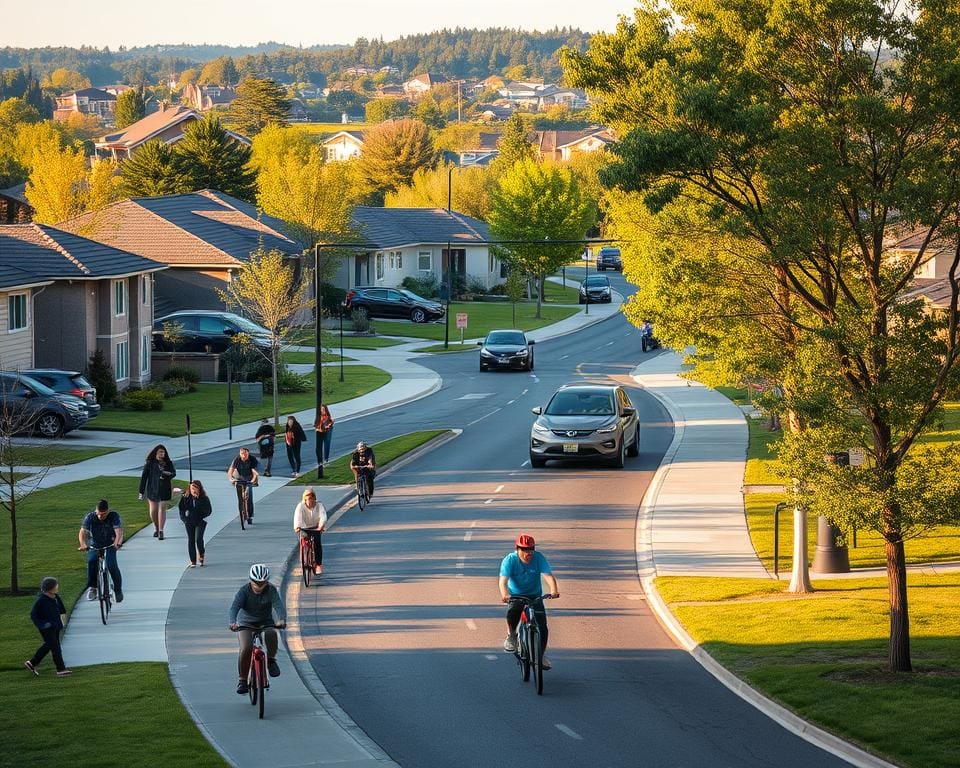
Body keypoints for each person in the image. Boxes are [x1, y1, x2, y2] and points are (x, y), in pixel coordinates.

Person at [498, 533, 559, 670]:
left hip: (535, 595)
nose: (528, 552)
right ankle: (512, 635)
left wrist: (554, 590)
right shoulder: (510, 560)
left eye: (530, 549)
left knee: (542, 626)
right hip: (516, 595)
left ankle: (540, 655)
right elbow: (503, 581)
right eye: (524, 549)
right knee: (513, 611)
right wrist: (505, 594)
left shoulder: (538, 558)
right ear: (517, 549)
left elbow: (548, 576)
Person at [228, 564, 286, 695]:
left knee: (271, 633)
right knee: (246, 647)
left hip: (265, 622)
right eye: (256, 583)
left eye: (262, 583)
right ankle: (242, 680)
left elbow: (279, 605)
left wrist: (282, 619)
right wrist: (233, 622)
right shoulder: (244, 591)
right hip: (245, 624)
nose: (259, 586)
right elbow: (234, 608)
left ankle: (271, 661)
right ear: (251, 580)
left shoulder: (271, 590)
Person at [79, 499, 124, 603]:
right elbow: (82, 532)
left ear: (108, 511)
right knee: (92, 561)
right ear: (96, 511)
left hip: (110, 544)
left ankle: (118, 590)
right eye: (98, 514)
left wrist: (116, 543)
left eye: (103, 514)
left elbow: (118, 531)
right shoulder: (90, 516)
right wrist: (83, 544)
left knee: (111, 564)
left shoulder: (114, 516)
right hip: (95, 544)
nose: (100, 516)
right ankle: (93, 587)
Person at [25, 576, 71, 677]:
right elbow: (33, 615)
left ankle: (32, 663)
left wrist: (62, 622)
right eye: (56, 585)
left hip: (56, 626)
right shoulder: (41, 600)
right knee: (56, 648)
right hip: (47, 628)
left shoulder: (56, 597)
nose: (57, 586)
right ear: (50, 587)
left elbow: (62, 610)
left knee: (49, 645)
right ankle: (61, 669)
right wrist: (43, 624)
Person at [138, 444, 176, 540]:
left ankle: (161, 531)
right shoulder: (150, 463)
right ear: (155, 453)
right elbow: (144, 478)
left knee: (162, 510)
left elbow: (173, 473)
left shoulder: (168, 463)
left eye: (163, 452)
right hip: (152, 490)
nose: (162, 454)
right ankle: (156, 527)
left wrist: (168, 474)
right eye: (160, 452)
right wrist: (141, 492)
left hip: (165, 489)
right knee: (153, 512)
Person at [175, 479, 212, 567]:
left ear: (199, 489)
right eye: (192, 488)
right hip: (189, 520)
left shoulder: (204, 499)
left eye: (195, 488)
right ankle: (193, 561)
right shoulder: (186, 497)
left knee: (198, 539)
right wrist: (184, 519)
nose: (193, 490)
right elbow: (182, 509)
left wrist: (197, 501)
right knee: (191, 540)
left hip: (200, 521)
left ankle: (201, 553)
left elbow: (208, 511)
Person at [293, 487, 327, 576]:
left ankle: (318, 564)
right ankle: (304, 560)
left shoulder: (319, 505)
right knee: (303, 542)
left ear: (314, 499)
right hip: (304, 528)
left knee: (317, 544)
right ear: (304, 500)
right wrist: (297, 526)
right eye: (307, 499)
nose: (309, 501)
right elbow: (297, 517)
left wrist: (321, 526)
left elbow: (323, 516)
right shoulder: (300, 506)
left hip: (316, 527)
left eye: (311, 499)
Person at [227, 447, 260, 523]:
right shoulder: (237, 460)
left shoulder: (252, 459)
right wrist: (231, 479)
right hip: (238, 478)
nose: (244, 455)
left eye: (246, 454)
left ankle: (250, 516)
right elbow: (230, 471)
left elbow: (255, 473)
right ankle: (241, 512)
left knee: (249, 497)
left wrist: (252, 481)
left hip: (249, 479)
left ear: (248, 453)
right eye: (242, 454)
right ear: (240, 454)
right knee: (240, 498)